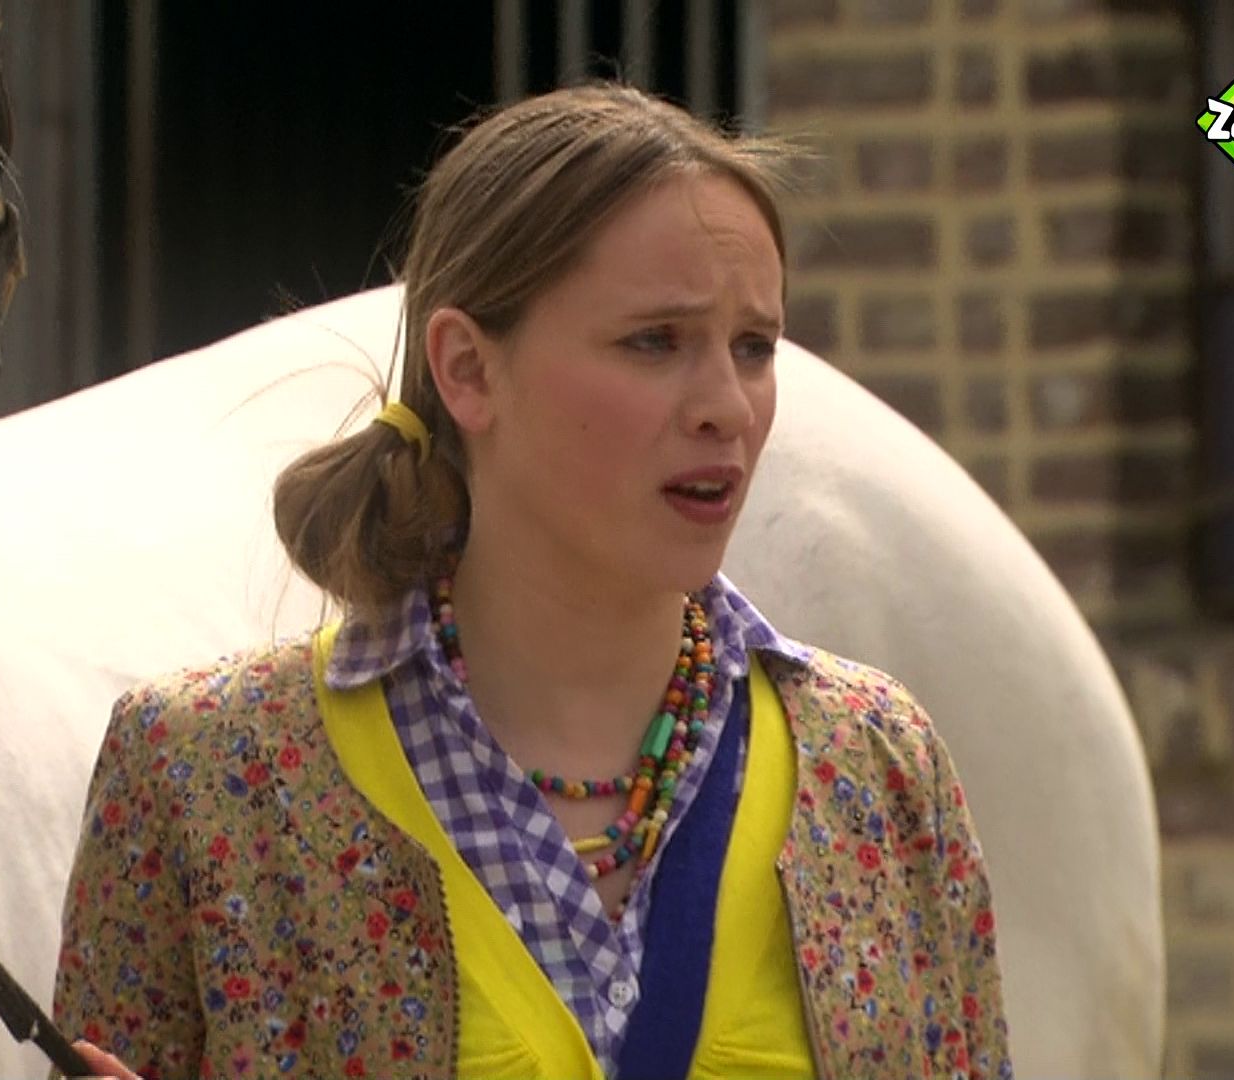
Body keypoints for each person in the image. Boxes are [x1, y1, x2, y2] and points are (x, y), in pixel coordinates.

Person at [54, 82, 1010, 1080]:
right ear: (468, 370)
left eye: (754, 348)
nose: (728, 406)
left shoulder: (876, 767)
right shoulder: (208, 780)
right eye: (656, 341)